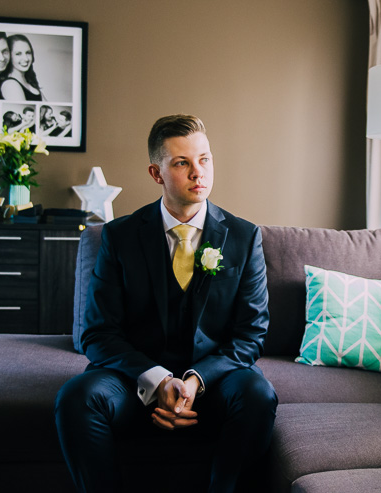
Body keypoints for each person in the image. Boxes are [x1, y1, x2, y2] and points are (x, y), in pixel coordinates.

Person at [55, 114, 278, 493]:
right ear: (156, 173)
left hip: (214, 386)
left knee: (258, 395)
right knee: (76, 398)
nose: (198, 173)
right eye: (182, 163)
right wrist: (157, 380)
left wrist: (195, 380)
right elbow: (97, 333)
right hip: (132, 386)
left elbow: (251, 334)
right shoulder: (119, 236)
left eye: (204, 159)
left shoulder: (243, 236)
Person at [0, 34, 43, 101]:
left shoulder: (30, 81)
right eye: (18, 54)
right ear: (9, 56)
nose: (26, 59)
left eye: (28, 53)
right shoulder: (10, 85)